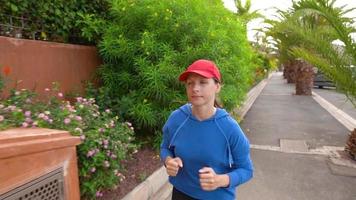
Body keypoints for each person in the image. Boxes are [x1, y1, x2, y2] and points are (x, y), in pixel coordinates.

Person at [160, 59, 254, 200]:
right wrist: (168, 161)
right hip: (180, 194)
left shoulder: (229, 128)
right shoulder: (177, 118)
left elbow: (246, 170)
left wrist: (220, 180)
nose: (195, 88)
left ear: (217, 86)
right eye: (190, 83)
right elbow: (164, 147)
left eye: (203, 82)